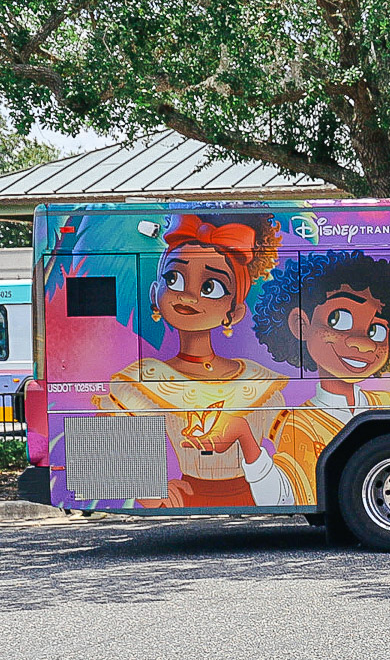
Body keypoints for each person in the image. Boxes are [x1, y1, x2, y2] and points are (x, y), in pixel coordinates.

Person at [101, 212, 287, 508]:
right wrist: (149, 490)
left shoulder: (258, 382)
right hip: (185, 498)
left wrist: (245, 438)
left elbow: (294, 459)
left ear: (234, 312)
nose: (187, 296)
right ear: (155, 294)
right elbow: (108, 449)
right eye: (173, 279)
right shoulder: (141, 380)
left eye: (210, 286)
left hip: (254, 494)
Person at [226, 250, 390, 505]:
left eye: (376, 330)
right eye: (339, 319)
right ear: (300, 325)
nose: (363, 344)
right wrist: (246, 438)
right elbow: (282, 499)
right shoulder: (299, 422)